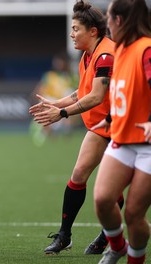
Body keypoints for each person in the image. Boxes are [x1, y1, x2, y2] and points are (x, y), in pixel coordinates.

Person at [29, 0, 124, 255]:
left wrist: (60, 113)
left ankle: (109, 236)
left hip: (122, 128)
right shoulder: (88, 55)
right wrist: (56, 103)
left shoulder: (106, 54)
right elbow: (82, 92)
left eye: (75, 29)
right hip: (101, 128)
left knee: (111, 190)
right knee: (79, 175)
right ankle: (64, 235)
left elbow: (95, 97)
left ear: (93, 31)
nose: (71, 34)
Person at [91, 0, 151, 263]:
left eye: (108, 17)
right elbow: (128, 91)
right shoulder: (122, 49)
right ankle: (117, 246)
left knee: (134, 215)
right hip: (123, 138)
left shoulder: (146, 49)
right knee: (103, 199)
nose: (106, 23)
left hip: (148, 145)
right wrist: (111, 117)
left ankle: (135, 259)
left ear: (119, 20)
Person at [30, 52, 78, 146]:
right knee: (44, 112)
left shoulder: (69, 77)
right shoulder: (49, 75)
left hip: (62, 102)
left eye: (60, 62)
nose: (58, 64)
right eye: (56, 62)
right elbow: (40, 88)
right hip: (50, 101)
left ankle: (66, 133)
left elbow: (76, 90)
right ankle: (50, 135)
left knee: (69, 108)